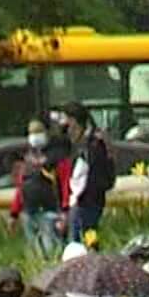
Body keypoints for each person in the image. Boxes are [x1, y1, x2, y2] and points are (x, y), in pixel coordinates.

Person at [13, 119, 69, 257]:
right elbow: (21, 187)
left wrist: (65, 211)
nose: (35, 136)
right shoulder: (27, 159)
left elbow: (65, 184)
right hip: (29, 213)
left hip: (49, 212)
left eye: (38, 132)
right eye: (32, 133)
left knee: (51, 251)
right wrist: (14, 213)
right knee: (34, 253)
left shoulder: (57, 156)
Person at [59, 101, 115, 240]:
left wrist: (81, 196)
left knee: (82, 240)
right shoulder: (78, 143)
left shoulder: (92, 144)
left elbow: (89, 174)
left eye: (65, 119)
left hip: (87, 201)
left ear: (73, 120)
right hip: (80, 200)